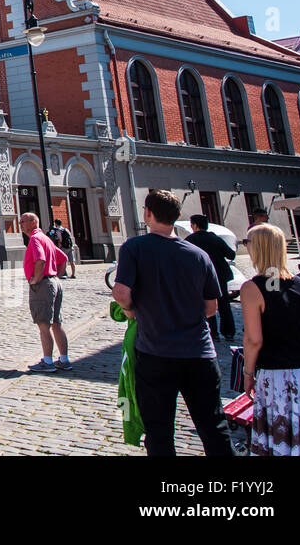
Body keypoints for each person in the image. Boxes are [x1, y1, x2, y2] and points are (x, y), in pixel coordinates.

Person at [112, 189, 233, 457]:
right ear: (178, 217)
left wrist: (132, 312)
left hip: (155, 353)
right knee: (214, 427)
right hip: (200, 354)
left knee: (159, 432)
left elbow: (121, 293)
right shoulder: (198, 255)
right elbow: (211, 308)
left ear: (147, 213)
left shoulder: (135, 247)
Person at [239, 225, 300, 455]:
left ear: (257, 248)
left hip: (279, 380)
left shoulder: (252, 288)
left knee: (281, 445)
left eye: (248, 242)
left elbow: (253, 340)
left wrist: (248, 375)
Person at [20, 212, 70, 372]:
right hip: (54, 282)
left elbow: (40, 260)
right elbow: (63, 258)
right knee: (56, 324)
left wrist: (36, 279)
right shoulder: (46, 238)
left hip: (43, 284)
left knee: (44, 325)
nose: (20, 224)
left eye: (23, 221)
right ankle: (64, 359)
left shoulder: (35, 239)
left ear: (33, 223)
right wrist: (56, 276)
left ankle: (47, 362)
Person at [183, 214, 237, 342]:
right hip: (220, 275)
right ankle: (229, 332)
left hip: (201, 277)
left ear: (195, 225)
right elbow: (231, 254)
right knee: (224, 304)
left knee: (207, 303)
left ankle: (213, 334)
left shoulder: (190, 240)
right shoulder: (215, 238)